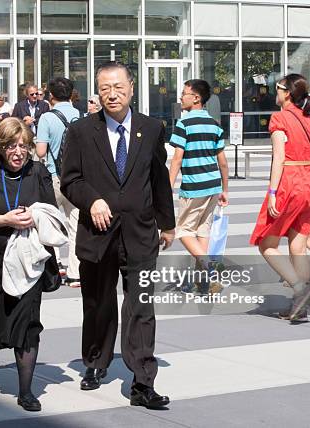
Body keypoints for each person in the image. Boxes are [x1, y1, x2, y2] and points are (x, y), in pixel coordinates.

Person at [60, 61, 175, 408]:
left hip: (139, 234)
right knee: (99, 303)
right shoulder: (81, 131)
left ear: (132, 88)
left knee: (141, 306)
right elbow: (70, 180)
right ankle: (95, 361)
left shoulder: (152, 128)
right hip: (98, 234)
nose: (112, 94)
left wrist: (167, 223)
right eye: (105, 88)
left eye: (119, 87)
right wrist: (91, 200)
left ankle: (143, 381)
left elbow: (158, 178)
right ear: (98, 91)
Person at [0, 117, 57, 412]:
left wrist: (37, 218)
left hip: (29, 260)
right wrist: (5, 220)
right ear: (0, 148)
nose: (18, 152)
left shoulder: (38, 173)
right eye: (11, 146)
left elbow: (52, 214)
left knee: (28, 324)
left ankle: (26, 390)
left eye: (23, 146)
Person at [250, 74, 310, 323]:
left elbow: (278, 158)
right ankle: (300, 306)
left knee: (266, 245)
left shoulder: (279, 118)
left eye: (277, 88)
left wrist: (272, 193)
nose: (274, 91)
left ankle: (300, 289)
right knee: (298, 246)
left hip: (291, 183)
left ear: (287, 93)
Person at [168, 80, 229, 294]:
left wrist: (168, 186)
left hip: (193, 186)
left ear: (196, 98)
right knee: (203, 232)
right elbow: (222, 161)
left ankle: (210, 270)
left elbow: (177, 159)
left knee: (183, 231)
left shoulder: (184, 124)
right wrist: (225, 189)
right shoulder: (214, 124)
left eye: (184, 94)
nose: (180, 98)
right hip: (213, 186)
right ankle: (202, 282)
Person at [35, 77, 81, 288]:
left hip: (53, 177)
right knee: (76, 226)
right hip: (76, 178)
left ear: (51, 96)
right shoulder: (80, 115)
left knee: (48, 223)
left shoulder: (46, 117)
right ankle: (75, 273)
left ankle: (56, 266)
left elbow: (41, 151)